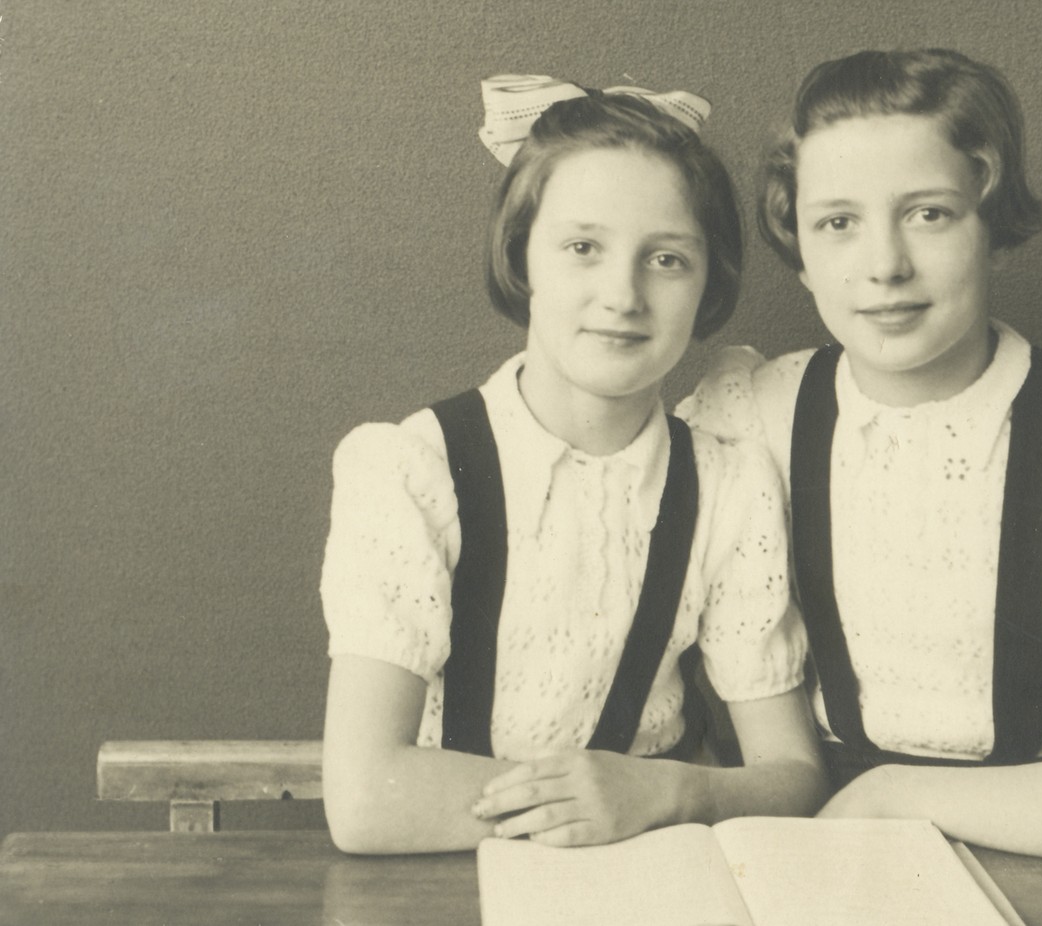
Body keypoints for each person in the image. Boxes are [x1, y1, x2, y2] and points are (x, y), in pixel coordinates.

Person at [679, 49, 1042, 870]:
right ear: (801, 251)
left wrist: (894, 796)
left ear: (992, 227)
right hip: (829, 856)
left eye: (928, 214)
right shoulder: (752, 416)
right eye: (838, 223)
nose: (885, 266)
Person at [319, 74, 824, 855]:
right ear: (522, 255)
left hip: (651, 865)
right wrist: (583, 805)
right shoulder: (414, 471)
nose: (622, 295)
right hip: (446, 872)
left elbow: (791, 775)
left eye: (667, 259)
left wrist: (670, 792)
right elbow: (366, 801)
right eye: (583, 248)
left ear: (708, 284)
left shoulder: (729, 486)